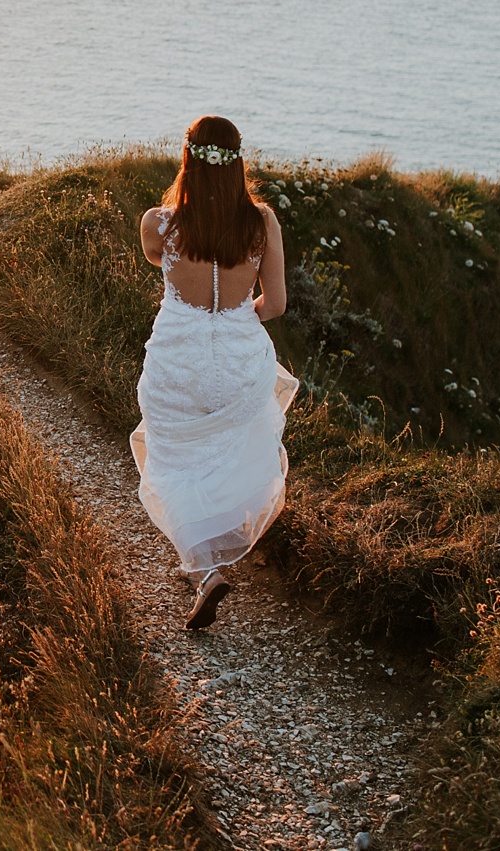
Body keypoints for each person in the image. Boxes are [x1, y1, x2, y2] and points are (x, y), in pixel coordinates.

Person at [133, 116, 297, 629]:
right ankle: (208, 559)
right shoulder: (261, 222)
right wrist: (239, 309)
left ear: (187, 158)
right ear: (238, 162)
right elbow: (277, 305)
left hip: (178, 358)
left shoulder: (158, 224)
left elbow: (157, 260)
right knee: (227, 456)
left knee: (171, 458)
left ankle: (205, 572)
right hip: (239, 357)